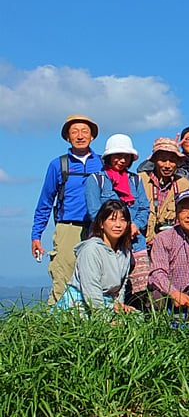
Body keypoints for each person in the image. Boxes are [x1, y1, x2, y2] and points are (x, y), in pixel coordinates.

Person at [31, 114, 104, 304]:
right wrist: (36, 236)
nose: (80, 136)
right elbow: (45, 202)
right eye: (75, 132)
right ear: (68, 137)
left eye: (84, 131)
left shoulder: (103, 163)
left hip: (99, 228)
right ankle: (54, 327)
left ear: (92, 136)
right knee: (62, 278)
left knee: (99, 278)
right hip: (68, 227)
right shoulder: (58, 165)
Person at [85, 134, 151, 302]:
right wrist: (117, 229)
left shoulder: (135, 180)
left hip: (135, 243)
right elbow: (94, 212)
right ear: (109, 157)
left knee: (140, 293)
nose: (122, 160)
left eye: (126, 156)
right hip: (106, 245)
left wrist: (134, 225)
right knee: (107, 287)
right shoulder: (96, 180)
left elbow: (144, 207)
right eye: (118, 156)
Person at [54, 199, 134, 314]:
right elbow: (91, 289)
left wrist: (119, 307)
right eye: (112, 219)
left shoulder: (125, 251)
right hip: (80, 304)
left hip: (107, 302)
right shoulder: (91, 250)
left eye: (123, 220)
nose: (118, 225)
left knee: (137, 317)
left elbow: (122, 286)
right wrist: (104, 320)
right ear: (101, 223)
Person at [139, 137, 189, 245]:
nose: (167, 165)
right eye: (162, 160)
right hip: (141, 245)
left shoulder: (183, 185)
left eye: (172, 160)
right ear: (154, 160)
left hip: (172, 244)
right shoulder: (140, 180)